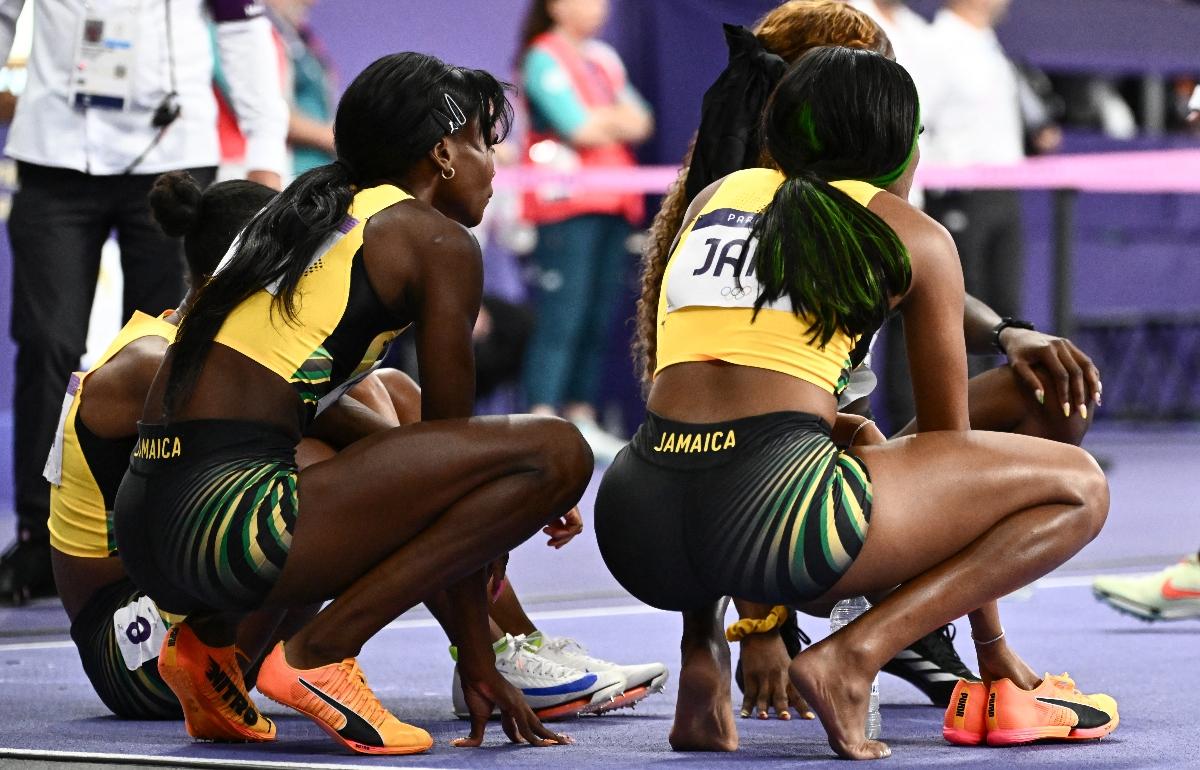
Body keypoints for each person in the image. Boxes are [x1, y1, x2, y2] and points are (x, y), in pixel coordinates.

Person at [597, 46, 1115, 759]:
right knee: (1080, 489)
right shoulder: (915, 236)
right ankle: (854, 657)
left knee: (790, 448)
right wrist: (990, 646)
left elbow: (699, 387)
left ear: (775, 137)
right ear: (903, 149)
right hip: (781, 528)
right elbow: (953, 456)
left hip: (636, 523)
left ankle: (701, 658)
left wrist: (841, 433)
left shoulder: (719, 196)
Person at [113, 52, 592, 755]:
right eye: (486, 145)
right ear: (443, 154)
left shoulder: (299, 214)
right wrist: (480, 659)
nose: (496, 165)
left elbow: (299, 398)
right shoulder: (434, 241)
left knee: (367, 436)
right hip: (224, 528)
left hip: (148, 526)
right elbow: (453, 454)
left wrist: (477, 470)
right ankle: (319, 654)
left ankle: (211, 653)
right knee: (560, 450)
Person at [0, 0, 288, 605]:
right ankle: (38, 534)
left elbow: (242, 25)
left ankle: (157, 527)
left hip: (172, 153)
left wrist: (266, 144)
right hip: (53, 151)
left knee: (175, 349)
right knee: (48, 338)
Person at [46, 173, 277, 720]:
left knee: (395, 393)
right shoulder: (155, 362)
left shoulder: (188, 343)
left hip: (177, 594)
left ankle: (490, 648)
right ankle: (321, 653)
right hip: (128, 653)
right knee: (311, 474)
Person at [516, 0, 654, 463]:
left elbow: (643, 120)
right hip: (566, 208)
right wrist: (609, 121)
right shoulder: (543, 56)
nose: (600, 6)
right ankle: (537, 420)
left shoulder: (604, 58)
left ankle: (580, 415)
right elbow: (581, 128)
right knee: (562, 316)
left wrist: (605, 121)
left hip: (614, 204)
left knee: (597, 316)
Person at [264, 0, 338, 177]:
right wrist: (336, 139)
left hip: (319, 169)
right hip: (290, 171)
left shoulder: (301, 38)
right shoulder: (262, 33)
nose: (311, 2)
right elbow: (268, 110)